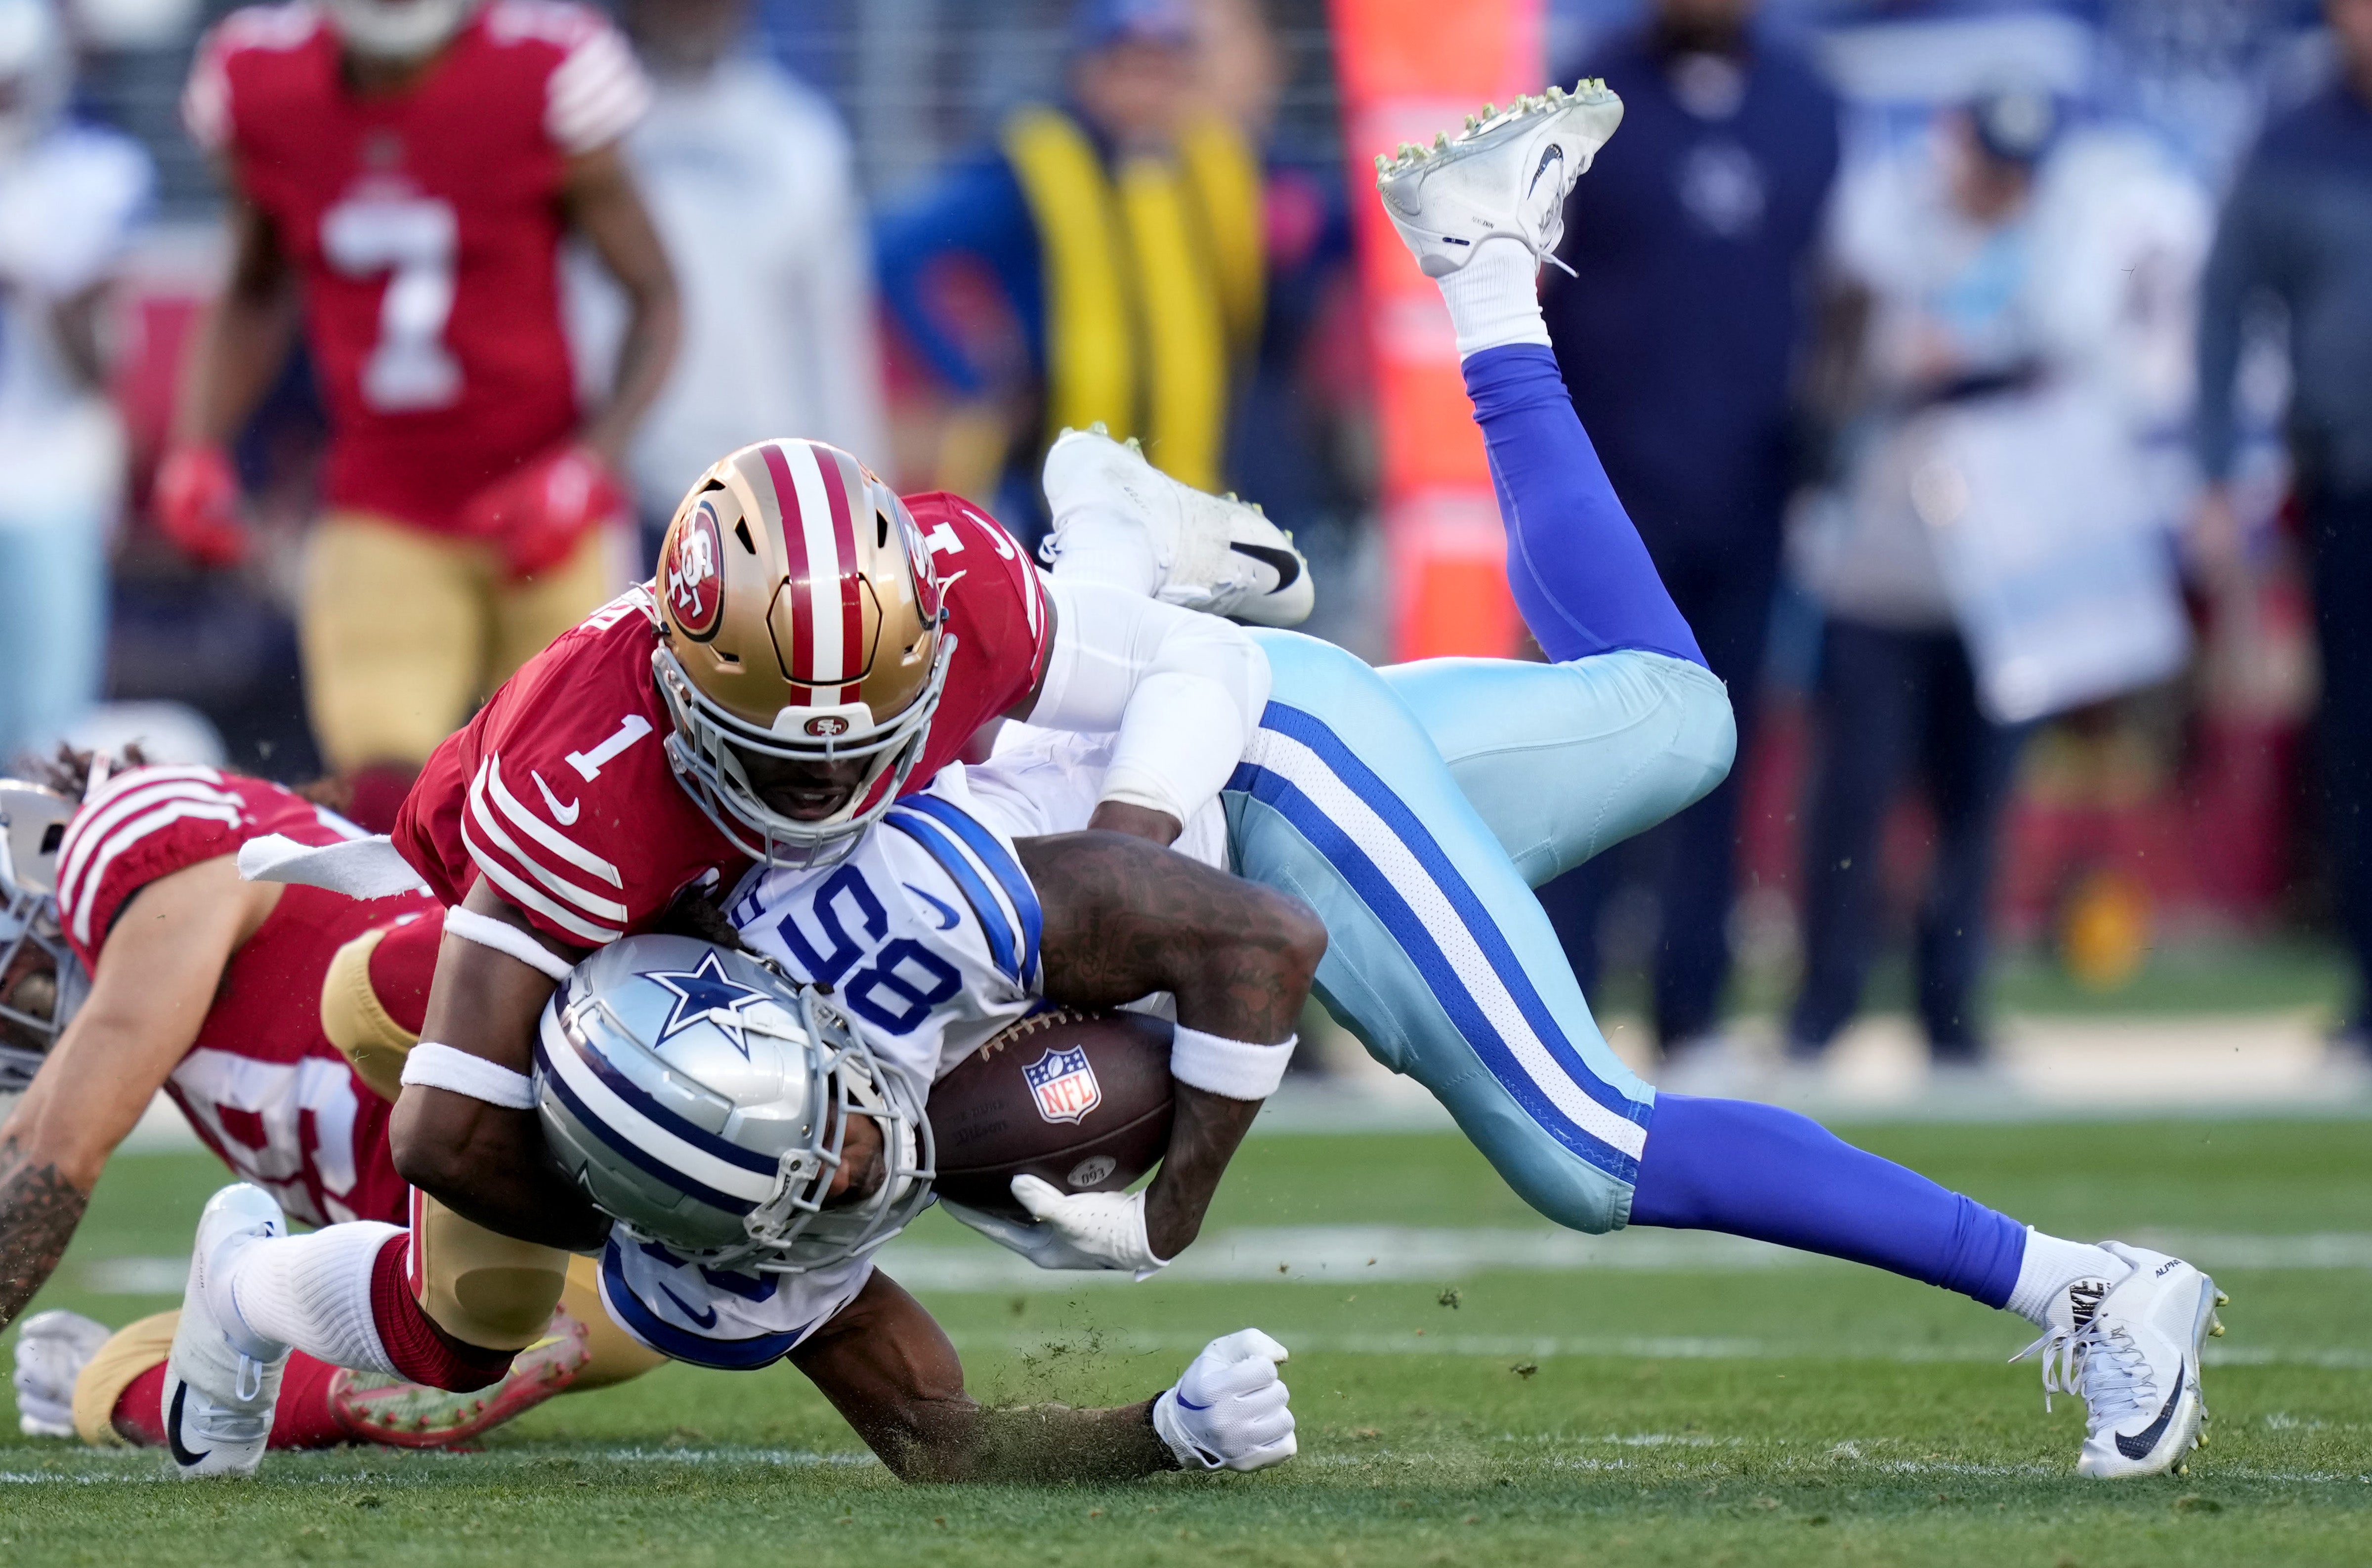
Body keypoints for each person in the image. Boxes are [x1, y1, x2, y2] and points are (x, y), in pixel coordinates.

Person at [134, 421, 1310, 1473]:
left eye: (866, 749)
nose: (835, 791)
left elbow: (1200, 660)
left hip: (738, 959)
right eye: (787, 762)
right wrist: (705, 1196)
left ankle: (1104, 511)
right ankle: (240, 1285)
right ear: (681, 686)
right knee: (473, 1323)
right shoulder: (582, 793)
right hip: (515, 959)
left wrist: (1127, 854)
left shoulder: (954, 594)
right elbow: (443, 1134)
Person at [0, 757, 658, 1455]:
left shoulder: (129, 824)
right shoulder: (170, 1046)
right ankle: (360, 1387)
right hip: (559, 1264)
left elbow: (51, 1150)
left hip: (532, 1059)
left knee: (365, 995)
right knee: (109, 1372)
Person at [152, 0, 683, 832]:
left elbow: (656, 297)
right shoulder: (262, 81)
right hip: (381, 497)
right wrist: (198, 445)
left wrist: (594, 460)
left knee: (564, 796)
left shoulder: (545, 70)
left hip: (541, 496)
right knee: (387, 806)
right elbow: (257, 285)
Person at [1532, 0, 1838, 1071]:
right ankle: (1554, 1007)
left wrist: (1819, 422)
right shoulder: (1588, 101)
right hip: (1608, 488)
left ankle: (1693, 1009)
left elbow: (1827, 281)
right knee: (1585, 753)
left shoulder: (1808, 99)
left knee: (1716, 753)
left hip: (1753, 486)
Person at [1779, 86, 2060, 1073]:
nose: (2003, 188)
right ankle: (1825, 1001)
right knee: (1855, 794)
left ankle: (1953, 1007)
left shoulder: (2053, 251)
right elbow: (1832, 378)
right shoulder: (1890, 233)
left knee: (1974, 803)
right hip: (1885, 569)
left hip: (1998, 583)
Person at [872, 0, 1275, 548]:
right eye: (1131, 69)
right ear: (1089, 70)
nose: (1148, 94)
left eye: (1164, 73)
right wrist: (971, 377)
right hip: (1049, 500)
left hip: (1182, 494)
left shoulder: (1202, 169)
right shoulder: (1033, 166)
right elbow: (898, 252)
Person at [2193, 0, 2372, 1060]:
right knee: (2356, 738)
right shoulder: (2293, 135)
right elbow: (2225, 303)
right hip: (2347, 480)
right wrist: (2214, 469)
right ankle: (2369, 984)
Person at [612, 0, 886, 556]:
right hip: (623, 491)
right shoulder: (589, 135)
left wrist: (866, 512)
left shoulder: (799, 138)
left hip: (766, 502)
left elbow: (833, 341)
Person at [0, 0, 151, 763]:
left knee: (47, 726)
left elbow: (92, 368)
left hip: (49, 471)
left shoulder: (92, 176)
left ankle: (36, 885)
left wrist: (28, 279)